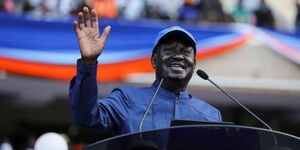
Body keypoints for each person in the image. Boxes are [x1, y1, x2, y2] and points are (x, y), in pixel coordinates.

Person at [69, 7, 222, 135]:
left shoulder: (210, 116)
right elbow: (86, 116)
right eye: (169, 50)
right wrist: (88, 63)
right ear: (154, 60)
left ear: (194, 63)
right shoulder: (126, 100)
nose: (178, 56)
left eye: (185, 52)